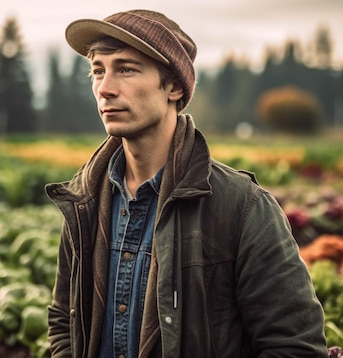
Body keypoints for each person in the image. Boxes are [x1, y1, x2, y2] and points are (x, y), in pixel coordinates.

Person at [45, 9, 328, 358]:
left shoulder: (242, 207)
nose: (105, 88)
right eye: (98, 71)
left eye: (126, 69)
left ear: (175, 86)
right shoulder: (84, 198)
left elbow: (295, 347)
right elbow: (63, 322)